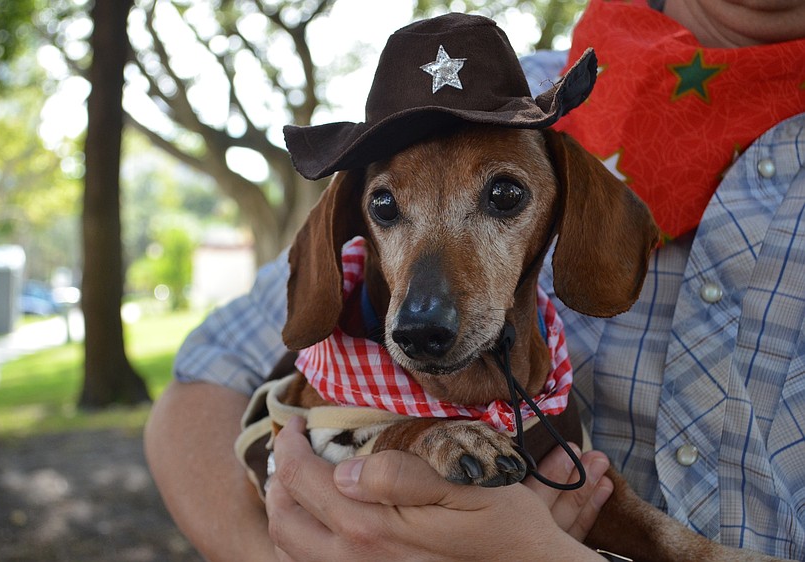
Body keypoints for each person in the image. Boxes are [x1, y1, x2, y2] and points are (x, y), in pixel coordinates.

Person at [144, 0, 805, 560]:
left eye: (503, 198)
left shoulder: (542, 139)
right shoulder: (520, 94)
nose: (425, 312)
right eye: (387, 208)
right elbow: (202, 385)